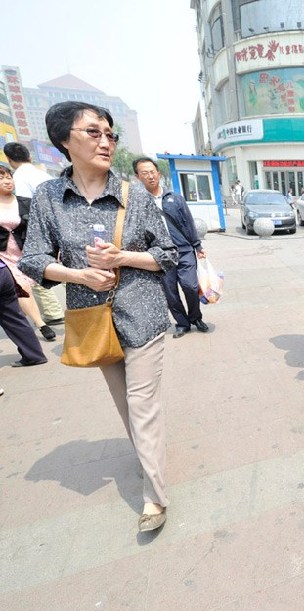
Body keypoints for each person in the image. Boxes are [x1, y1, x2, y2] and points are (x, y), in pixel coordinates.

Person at [20, 101, 178, 533]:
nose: (106, 141)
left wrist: (123, 256)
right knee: (124, 402)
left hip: (142, 314)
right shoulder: (50, 198)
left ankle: (154, 498)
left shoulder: (134, 194)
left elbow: (165, 254)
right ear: (62, 141)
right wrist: (79, 274)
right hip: (93, 319)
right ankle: (149, 459)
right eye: (93, 133)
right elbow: (34, 260)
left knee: (143, 404)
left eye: (110, 134)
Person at [134, 157, 209, 339]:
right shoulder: (138, 204)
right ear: (137, 177)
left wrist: (197, 246)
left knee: (190, 286)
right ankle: (182, 323)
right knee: (170, 293)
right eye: (145, 173)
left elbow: (188, 223)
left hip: (183, 250)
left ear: (158, 174)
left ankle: (195, 317)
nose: (150, 176)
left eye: (153, 172)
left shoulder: (175, 198)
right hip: (159, 255)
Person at [3, 142, 66, 326]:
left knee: (36, 269)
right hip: (61, 223)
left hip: (42, 229)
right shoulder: (41, 172)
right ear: (29, 156)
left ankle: (53, 313)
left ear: (10, 159)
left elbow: (24, 212)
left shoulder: (20, 177)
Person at [0, 165, 56, 342]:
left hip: (26, 249)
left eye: (9, 176)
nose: (7, 180)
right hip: (4, 253)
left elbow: (41, 226)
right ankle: (41, 324)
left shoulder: (25, 202)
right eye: (1, 178)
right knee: (21, 285)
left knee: (34, 283)